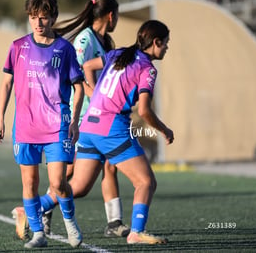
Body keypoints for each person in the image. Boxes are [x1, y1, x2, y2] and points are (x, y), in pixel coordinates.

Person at [36, 19, 174, 244]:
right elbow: (144, 110)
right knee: (145, 182)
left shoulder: (119, 54)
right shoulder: (147, 68)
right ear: (156, 42)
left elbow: (87, 66)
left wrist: (94, 94)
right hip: (112, 128)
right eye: (166, 43)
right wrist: (164, 130)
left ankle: (30, 209)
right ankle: (136, 232)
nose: (167, 47)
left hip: (90, 125)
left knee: (78, 187)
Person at [0, 0, 84, 249]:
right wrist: (0, 117)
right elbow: (7, 82)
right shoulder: (17, 46)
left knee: (58, 182)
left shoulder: (64, 49)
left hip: (57, 126)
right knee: (29, 183)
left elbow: (79, 87)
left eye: (43, 18)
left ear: (53, 18)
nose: (38, 23)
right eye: (34, 18)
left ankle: (70, 223)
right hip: (25, 126)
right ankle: (38, 233)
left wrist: (75, 120)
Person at [37, 0, 131, 238]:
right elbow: (76, 76)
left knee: (111, 165)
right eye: (117, 16)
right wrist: (97, 99)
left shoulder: (106, 41)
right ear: (111, 15)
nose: (117, 20)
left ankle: (114, 221)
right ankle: (41, 209)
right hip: (81, 117)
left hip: (102, 117)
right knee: (69, 172)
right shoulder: (85, 39)